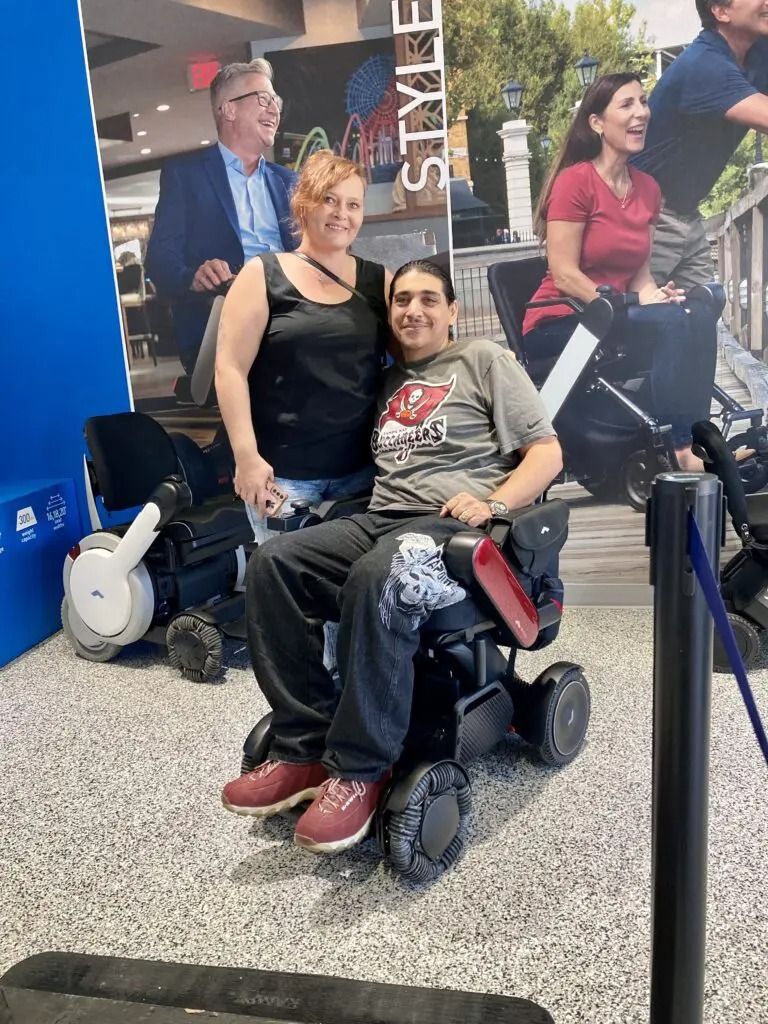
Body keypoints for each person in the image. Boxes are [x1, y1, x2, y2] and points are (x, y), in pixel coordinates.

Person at [220, 260, 562, 855]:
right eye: (402, 299)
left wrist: (493, 502)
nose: (414, 310)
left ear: (452, 310)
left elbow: (547, 453)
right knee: (276, 563)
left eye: (430, 299)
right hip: (381, 519)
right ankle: (304, 748)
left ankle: (360, 770)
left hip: (456, 531)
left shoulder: (483, 360)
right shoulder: (386, 382)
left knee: (381, 577)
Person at [523, 73, 719, 472]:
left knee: (701, 307)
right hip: (562, 319)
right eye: (626, 104)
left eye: (643, 102)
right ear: (596, 123)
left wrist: (655, 295)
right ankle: (679, 448)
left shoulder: (648, 189)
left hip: (613, 312)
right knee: (669, 324)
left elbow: (641, 275)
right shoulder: (574, 183)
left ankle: (698, 435)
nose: (641, 112)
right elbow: (564, 275)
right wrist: (629, 301)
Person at [214, 150, 391, 544]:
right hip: (282, 479)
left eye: (353, 204)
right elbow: (229, 369)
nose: (341, 213)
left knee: (358, 589)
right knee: (292, 593)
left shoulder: (379, 282)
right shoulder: (263, 275)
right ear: (304, 203)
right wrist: (246, 458)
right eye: (329, 199)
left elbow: (418, 359)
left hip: (363, 475)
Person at [145, 59, 297, 374]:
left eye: (276, 101)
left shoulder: (289, 182)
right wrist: (193, 277)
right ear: (229, 110)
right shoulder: (185, 175)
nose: (274, 110)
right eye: (264, 99)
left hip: (293, 311)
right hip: (225, 319)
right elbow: (159, 259)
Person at [632, 0, 768, 289]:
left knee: (703, 309)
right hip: (645, 217)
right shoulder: (705, 66)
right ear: (721, 11)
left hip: (686, 211)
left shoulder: (756, 51)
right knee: (633, 320)